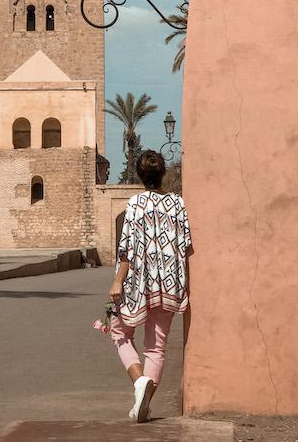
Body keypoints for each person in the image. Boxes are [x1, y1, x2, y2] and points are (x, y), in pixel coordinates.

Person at [108, 150, 192, 423]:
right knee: (156, 348)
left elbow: (127, 250)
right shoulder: (178, 205)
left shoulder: (134, 205)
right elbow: (186, 247)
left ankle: (138, 382)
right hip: (169, 286)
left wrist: (117, 281)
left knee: (119, 332)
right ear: (163, 173)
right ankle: (143, 403)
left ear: (139, 176)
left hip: (138, 284)